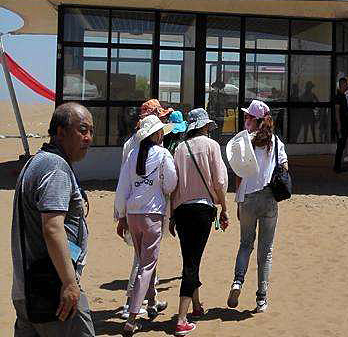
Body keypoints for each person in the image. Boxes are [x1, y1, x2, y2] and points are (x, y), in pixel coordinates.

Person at [12, 104, 95, 337]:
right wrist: (69, 283)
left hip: (27, 290)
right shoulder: (55, 166)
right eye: (82, 130)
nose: (88, 138)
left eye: (91, 131)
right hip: (53, 290)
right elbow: (52, 227)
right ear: (60, 132)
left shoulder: (37, 162)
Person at [114, 115, 177, 335]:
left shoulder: (132, 155)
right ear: (157, 134)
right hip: (152, 214)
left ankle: (151, 303)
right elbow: (171, 183)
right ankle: (132, 316)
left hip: (133, 214)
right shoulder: (162, 154)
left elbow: (123, 188)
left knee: (144, 261)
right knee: (146, 265)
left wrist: (120, 215)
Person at [170, 108, 230, 336]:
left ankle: (195, 306)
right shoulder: (212, 146)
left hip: (182, 210)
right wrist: (224, 207)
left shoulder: (179, 149)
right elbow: (219, 181)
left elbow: (173, 186)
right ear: (205, 126)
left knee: (190, 258)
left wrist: (172, 215)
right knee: (192, 262)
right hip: (203, 209)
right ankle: (182, 318)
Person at [228, 99, 287, 314]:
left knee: (245, 244)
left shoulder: (245, 142)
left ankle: (237, 281)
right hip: (270, 198)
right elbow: (284, 167)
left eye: (247, 116)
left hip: (248, 197)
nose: (245, 119)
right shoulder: (276, 142)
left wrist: (238, 201)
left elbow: (238, 174)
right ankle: (261, 298)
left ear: (255, 119)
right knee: (266, 251)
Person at [333, 77, 348, 172]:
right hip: (341, 124)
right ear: (342, 85)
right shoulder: (339, 96)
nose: (347, 86)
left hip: (343, 124)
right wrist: (339, 124)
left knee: (342, 145)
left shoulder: (342, 96)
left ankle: (338, 165)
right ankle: (337, 166)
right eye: (346, 84)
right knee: (340, 145)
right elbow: (337, 111)